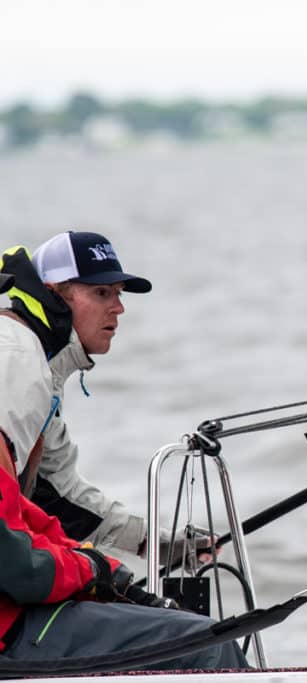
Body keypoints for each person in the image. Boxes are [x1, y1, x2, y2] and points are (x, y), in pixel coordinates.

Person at [0, 419, 249, 671]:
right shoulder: (26, 395)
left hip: (20, 615)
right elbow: (22, 570)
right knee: (209, 644)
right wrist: (91, 569)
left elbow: (30, 525)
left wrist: (111, 571)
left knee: (198, 634)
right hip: (12, 632)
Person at [0, 231, 175, 559]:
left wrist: (153, 543)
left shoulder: (37, 361)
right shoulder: (18, 355)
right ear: (54, 295)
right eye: (102, 292)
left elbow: (59, 495)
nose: (119, 307)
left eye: (119, 293)